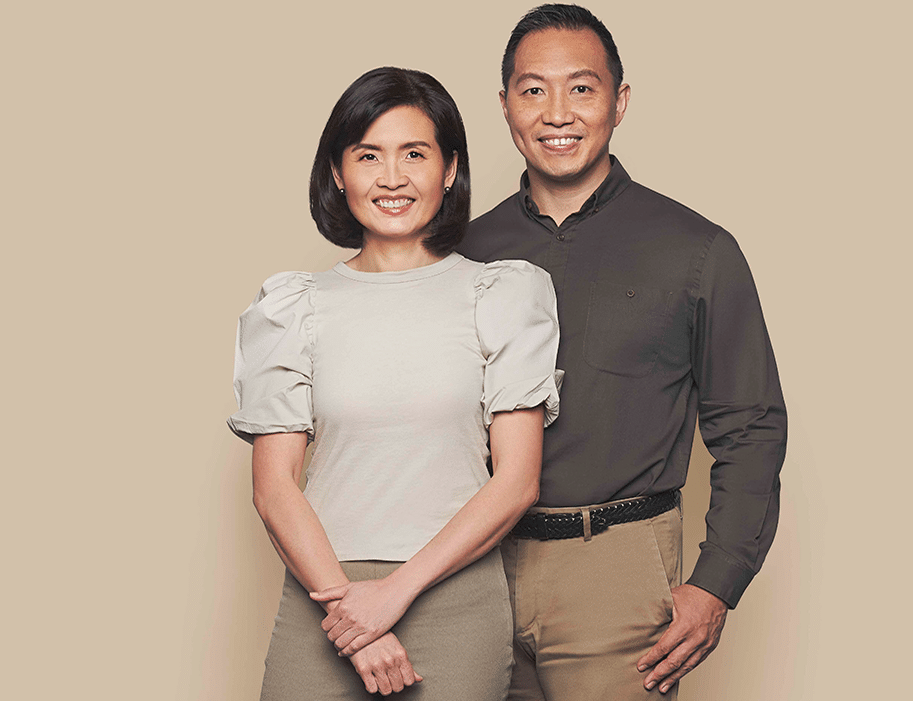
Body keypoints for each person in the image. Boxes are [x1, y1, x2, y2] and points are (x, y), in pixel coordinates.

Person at [456, 5, 787, 699]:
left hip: (616, 567)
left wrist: (716, 582)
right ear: (504, 105)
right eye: (533, 89)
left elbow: (750, 426)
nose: (557, 113)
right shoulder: (461, 253)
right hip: (471, 571)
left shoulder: (696, 250)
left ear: (619, 101)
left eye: (581, 87)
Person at [227, 66, 562, 700]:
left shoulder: (501, 294)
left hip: (452, 597)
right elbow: (274, 489)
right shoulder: (292, 306)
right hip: (324, 598)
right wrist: (350, 613)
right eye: (368, 155)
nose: (392, 178)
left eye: (415, 153)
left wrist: (391, 598)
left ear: (450, 169)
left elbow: (516, 483)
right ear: (338, 172)